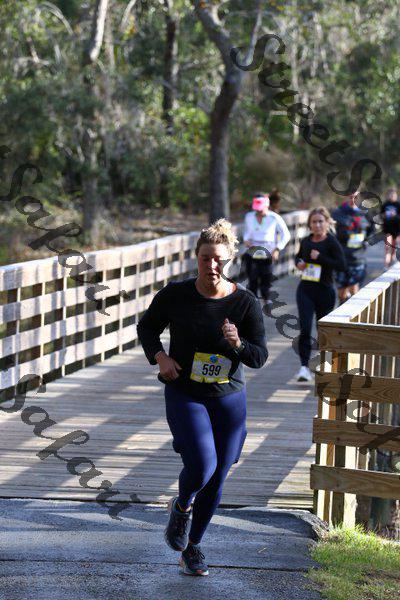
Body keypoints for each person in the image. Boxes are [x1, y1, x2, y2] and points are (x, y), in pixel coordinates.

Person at [137, 219, 268, 576]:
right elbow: (147, 327)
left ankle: (192, 547)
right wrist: (161, 358)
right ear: (196, 257)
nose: (212, 265)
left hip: (228, 397)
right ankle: (181, 507)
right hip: (186, 392)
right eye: (206, 258)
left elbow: (259, 357)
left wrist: (237, 344)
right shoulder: (175, 295)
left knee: (219, 474)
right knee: (202, 466)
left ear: (230, 261)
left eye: (219, 259)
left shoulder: (244, 302)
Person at [295, 207, 346, 382]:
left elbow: (342, 265)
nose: (317, 225)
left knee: (322, 330)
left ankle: (324, 366)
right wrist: (299, 263)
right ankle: (304, 367)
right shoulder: (306, 241)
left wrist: (321, 258)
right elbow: (298, 257)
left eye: (320, 221)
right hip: (305, 290)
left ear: (326, 223)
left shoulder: (331, 242)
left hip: (325, 291)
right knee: (305, 328)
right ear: (309, 224)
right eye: (314, 222)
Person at [243, 193, 291, 303]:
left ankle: (266, 302)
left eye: (261, 209)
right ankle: (253, 304)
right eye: (257, 209)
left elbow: (286, 235)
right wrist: (246, 240)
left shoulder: (274, 218)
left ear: (267, 205)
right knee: (252, 282)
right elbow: (246, 233)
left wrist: (277, 249)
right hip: (252, 252)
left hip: (268, 253)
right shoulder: (249, 216)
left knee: (266, 282)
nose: (258, 211)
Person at [332, 191, 374, 304]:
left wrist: (367, 240)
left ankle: (351, 310)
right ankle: (342, 306)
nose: (353, 200)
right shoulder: (337, 213)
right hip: (342, 256)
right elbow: (330, 231)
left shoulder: (364, 213)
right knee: (341, 294)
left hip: (357, 257)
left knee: (354, 290)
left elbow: (372, 229)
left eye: (356, 197)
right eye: (350, 197)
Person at [381, 189, 400, 267]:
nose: (392, 196)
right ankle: (386, 264)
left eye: (393, 195)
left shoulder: (398, 205)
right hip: (387, 228)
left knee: (394, 247)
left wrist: (395, 215)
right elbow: (381, 215)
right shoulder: (385, 205)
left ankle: (392, 261)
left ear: (396, 196)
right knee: (388, 246)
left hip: (397, 229)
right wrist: (385, 215)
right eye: (390, 195)